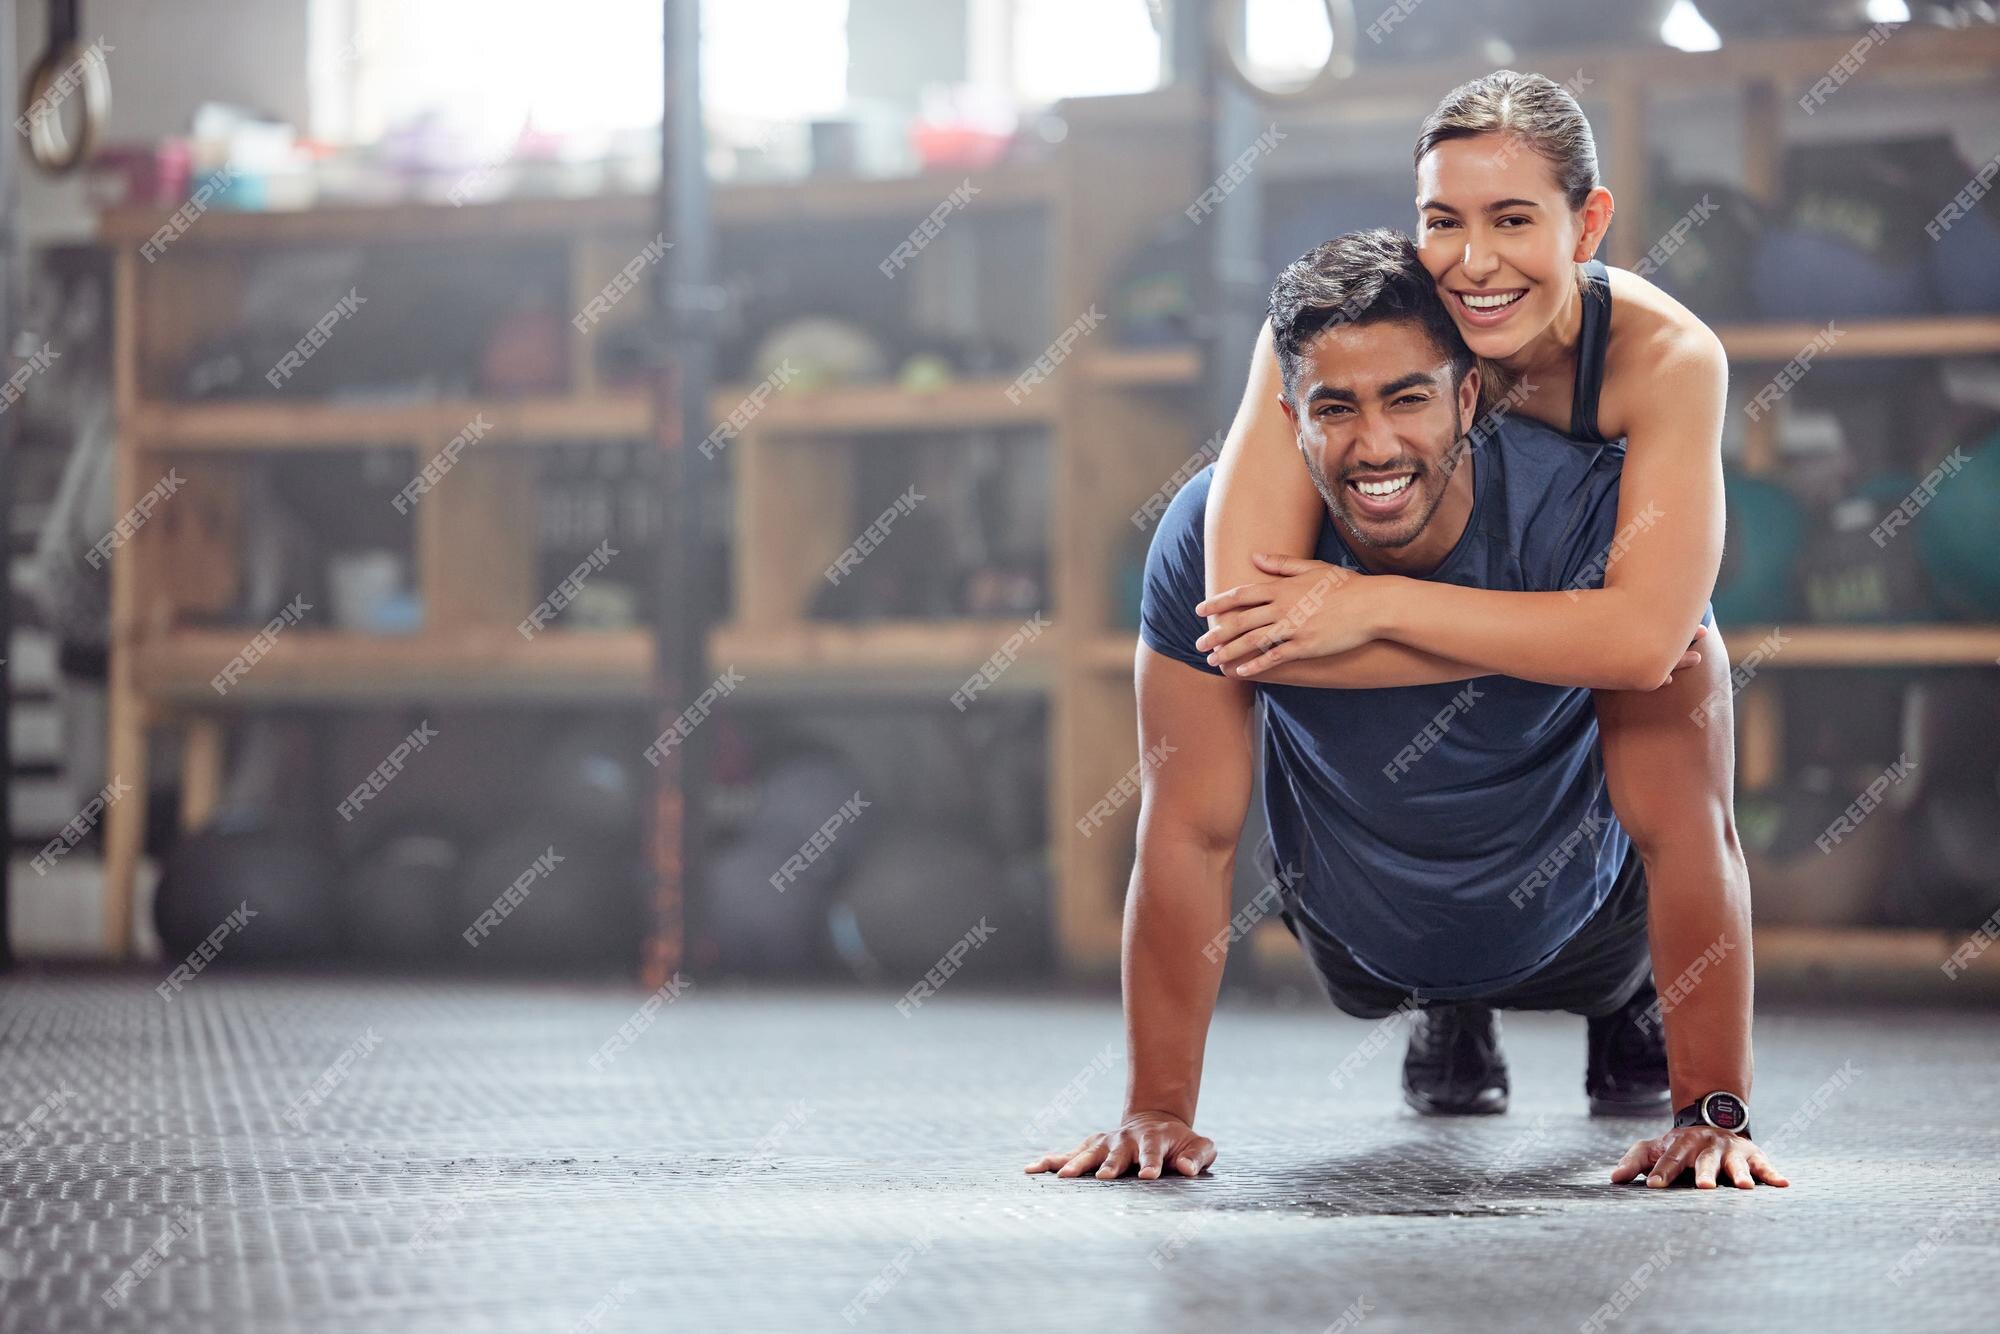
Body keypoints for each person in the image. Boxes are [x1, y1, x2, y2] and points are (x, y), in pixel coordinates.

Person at [1025, 230, 1786, 1192]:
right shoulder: (1210, 543)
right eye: (1335, 408)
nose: (1375, 445)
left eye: (1408, 399)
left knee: (1619, 934)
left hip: (1585, 920)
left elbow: (1693, 834)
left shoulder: (1601, 522)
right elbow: (1188, 833)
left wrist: (1713, 1110)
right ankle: (1450, 1007)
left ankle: (1624, 1008)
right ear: (1289, 418)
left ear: (1469, 396)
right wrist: (1156, 1111)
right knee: (1377, 946)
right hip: (1360, 934)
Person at [1194, 72, 1763, 1169]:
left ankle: (1632, 993)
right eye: (1443, 222)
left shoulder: (1663, 358)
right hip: (1478, 663)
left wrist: (1370, 603)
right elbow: (1248, 616)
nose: (1473, 261)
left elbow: (1643, 639)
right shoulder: (1342, 321)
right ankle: (1449, 992)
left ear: (1585, 222)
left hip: (1572, 606)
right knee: (1435, 749)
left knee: (1687, 675)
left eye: (1513, 220)